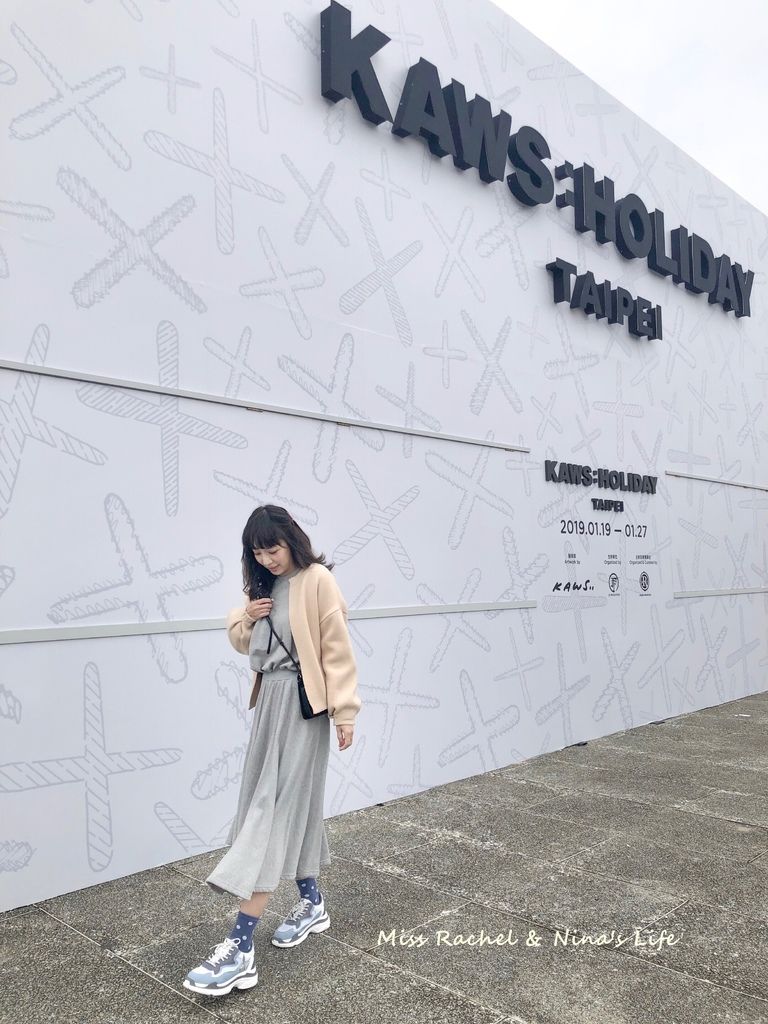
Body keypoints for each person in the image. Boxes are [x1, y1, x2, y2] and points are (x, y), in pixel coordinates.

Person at [183, 504, 361, 998]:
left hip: (304, 709)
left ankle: (240, 947)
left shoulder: (317, 580)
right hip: (269, 707)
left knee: (273, 811)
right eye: (258, 553)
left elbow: (337, 649)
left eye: (273, 549)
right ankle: (313, 903)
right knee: (289, 805)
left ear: (292, 540)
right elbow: (246, 645)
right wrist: (247, 613)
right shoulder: (263, 586)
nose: (267, 559)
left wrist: (345, 712)